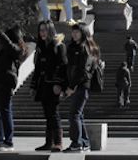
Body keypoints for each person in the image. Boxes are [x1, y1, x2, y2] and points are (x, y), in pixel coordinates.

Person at [0, 25, 27, 152]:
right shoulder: (3, 49)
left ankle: (8, 141)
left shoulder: (17, 49)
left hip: (7, 81)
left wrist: (3, 36)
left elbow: (14, 51)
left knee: (5, 111)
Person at [30, 20, 67, 152]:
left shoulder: (58, 46)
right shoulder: (40, 48)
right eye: (40, 30)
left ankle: (58, 142)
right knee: (48, 114)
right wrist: (33, 86)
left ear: (50, 31)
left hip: (53, 85)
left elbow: (63, 66)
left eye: (45, 30)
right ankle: (48, 142)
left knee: (53, 113)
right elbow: (37, 68)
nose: (42, 33)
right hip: (43, 85)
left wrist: (59, 84)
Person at [65, 22, 99, 152]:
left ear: (83, 33)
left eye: (77, 32)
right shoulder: (75, 47)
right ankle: (84, 143)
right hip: (78, 85)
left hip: (80, 85)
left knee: (74, 114)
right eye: (73, 32)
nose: (74, 34)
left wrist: (72, 86)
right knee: (78, 115)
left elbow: (83, 71)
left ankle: (76, 143)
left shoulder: (84, 48)